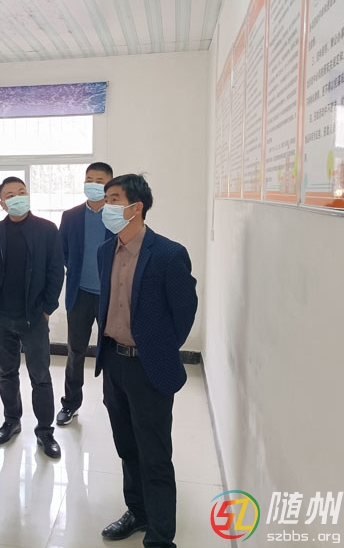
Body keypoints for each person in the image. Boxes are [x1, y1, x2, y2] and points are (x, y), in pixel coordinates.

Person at [95, 174, 197, 548]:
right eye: (105, 199)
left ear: (136, 207)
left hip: (148, 367)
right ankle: (137, 511)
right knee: (126, 446)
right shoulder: (105, 251)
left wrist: (158, 349)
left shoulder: (168, 254)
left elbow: (184, 312)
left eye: (113, 199)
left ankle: (160, 536)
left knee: (154, 454)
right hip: (114, 362)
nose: (106, 206)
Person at [0, 177, 64, 459]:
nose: (17, 198)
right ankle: (11, 421)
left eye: (21, 192)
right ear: (2, 203)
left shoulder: (47, 229)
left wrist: (47, 308)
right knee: (7, 372)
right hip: (0, 316)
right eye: (10, 195)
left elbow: (56, 271)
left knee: (40, 376)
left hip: (34, 317)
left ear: (28, 196)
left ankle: (45, 431)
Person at [56, 162, 114, 426]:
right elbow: (61, 251)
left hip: (110, 297)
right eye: (89, 179)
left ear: (109, 184)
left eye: (99, 180)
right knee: (75, 351)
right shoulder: (71, 216)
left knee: (111, 353)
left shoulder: (117, 216)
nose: (93, 184)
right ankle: (70, 404)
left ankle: (115, 403)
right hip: (79, 294)